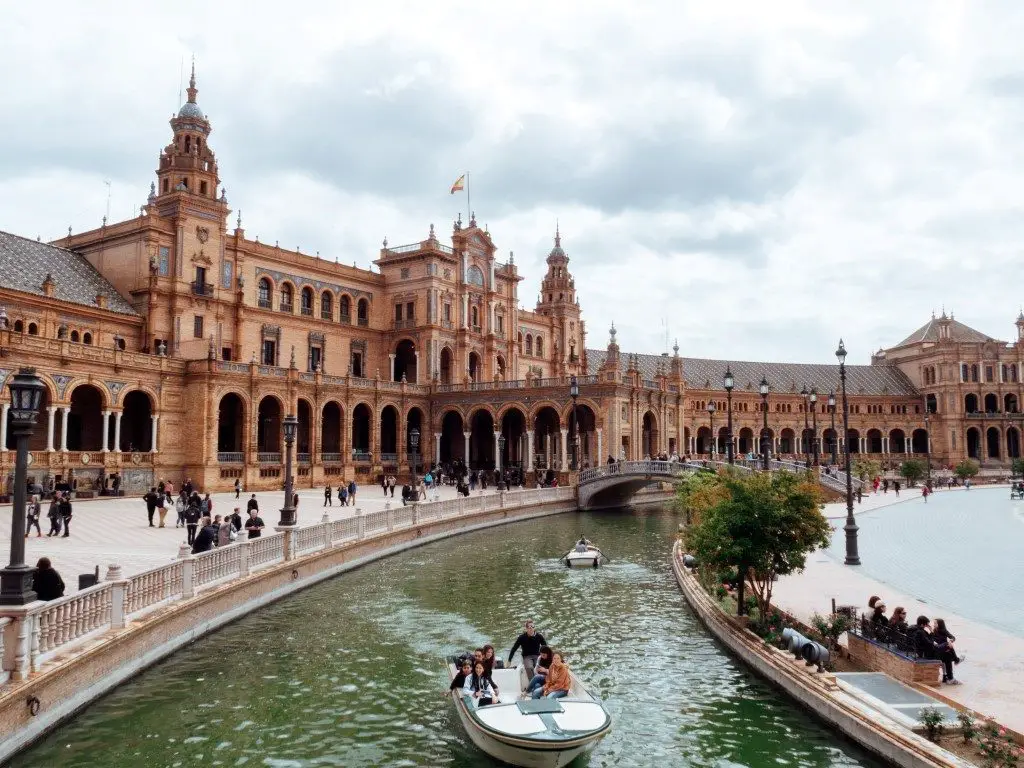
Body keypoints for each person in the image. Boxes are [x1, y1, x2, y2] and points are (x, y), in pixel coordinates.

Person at [911, 615, 960, 684]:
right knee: (947, 647)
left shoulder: (941, 631)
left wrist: (950, 641)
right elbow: (930, 642)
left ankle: (948, 678)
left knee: (948, 654)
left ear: (940, 624)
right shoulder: (921, 632)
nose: (932, 625)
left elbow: (951, 637)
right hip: (932, 652)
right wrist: (932, 635)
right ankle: (955, 663)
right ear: (923, 624)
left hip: (936, 650)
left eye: (935, 623)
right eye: (927, 624)